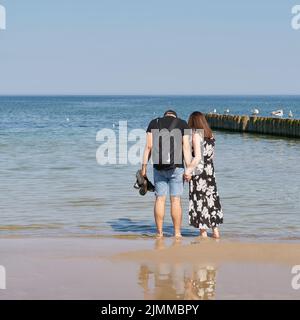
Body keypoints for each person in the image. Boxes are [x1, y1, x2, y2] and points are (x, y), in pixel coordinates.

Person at [141, 110, 191, 238]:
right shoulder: (182, 123)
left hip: (158, 167)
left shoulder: (154, 122)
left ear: (165, 115)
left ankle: (159, 233)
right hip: (177, 167)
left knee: (160, 199)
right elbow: (186, 147)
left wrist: (144, 168)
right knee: (175, 200)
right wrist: (189, 169)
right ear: (175, 116)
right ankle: (177, 233)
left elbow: (148, 147)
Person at [184, 112, 223, 239]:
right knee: (211, 200)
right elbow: (212, 156)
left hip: (199, 173)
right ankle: (216, 232)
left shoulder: (196, 135)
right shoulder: (211, 135)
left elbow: (197, 158)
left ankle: (203, 234)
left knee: (200, 201)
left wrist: (187, 171)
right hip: (210, 172)